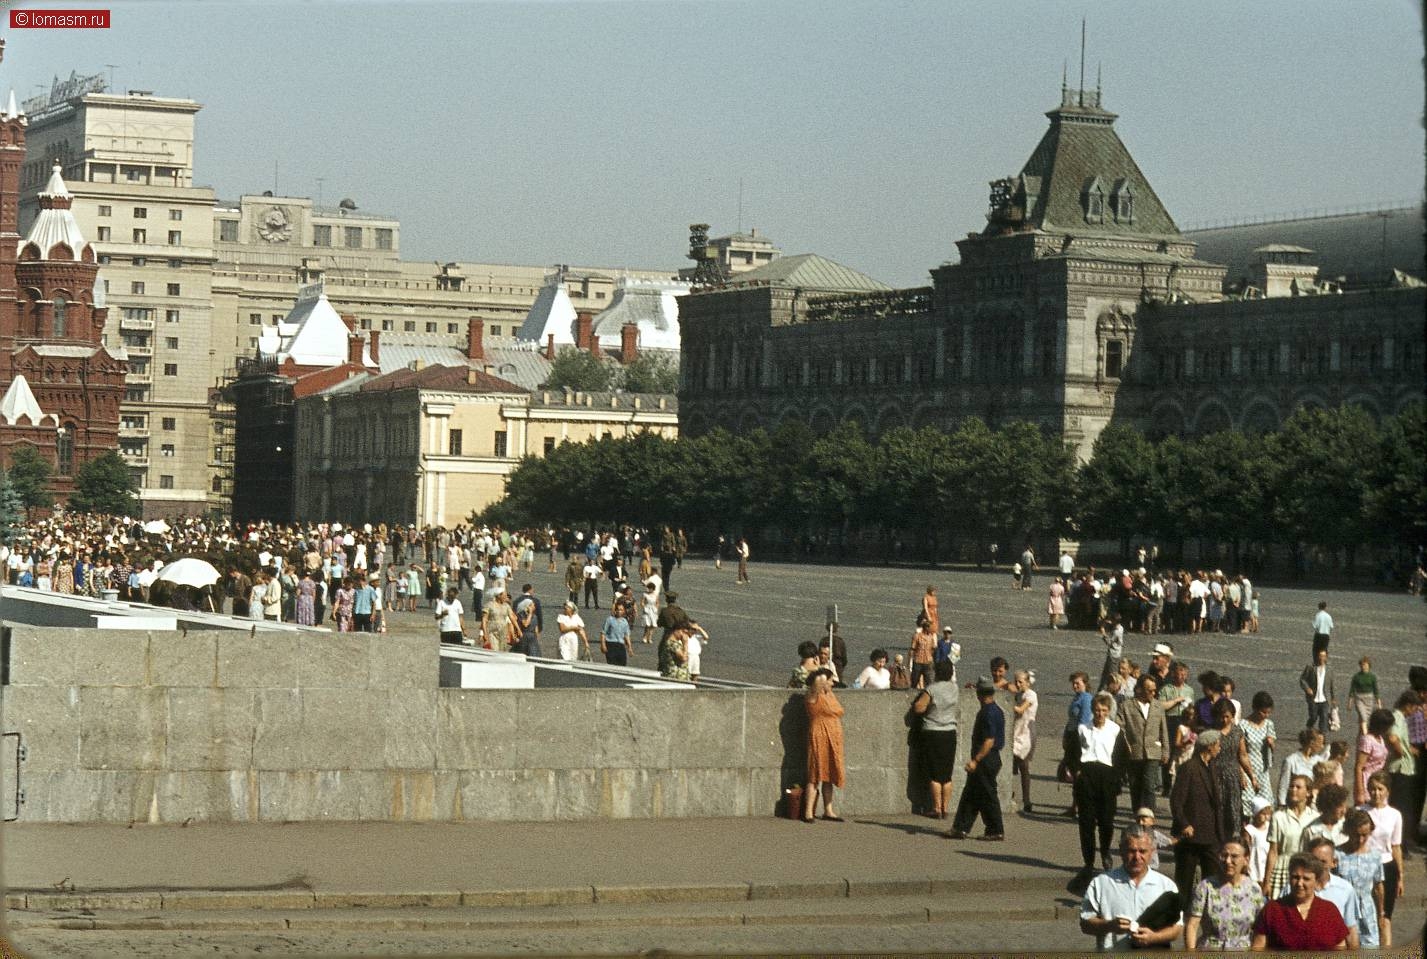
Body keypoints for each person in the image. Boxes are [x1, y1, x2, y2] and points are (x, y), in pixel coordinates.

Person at [1079, 824, 1183, 951]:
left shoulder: (1166, 886)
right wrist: (1109, 926)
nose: (1137, 857)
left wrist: (1154, 937)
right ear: (1121, 850)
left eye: (1142, 851)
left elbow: (1177, 928)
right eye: (1131, 851)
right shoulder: (1101, 883)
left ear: (1152, 851)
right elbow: (1085, 924)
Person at [1074, 691, 1128, 875]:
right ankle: (1088, 860)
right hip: (1087, 775)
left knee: (1106, 821)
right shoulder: (1083, 729)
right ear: (1092, 710)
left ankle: (1105, 852)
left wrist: (1117, 777)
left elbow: (1122, 757)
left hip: (1107, 776)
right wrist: (1077, 772)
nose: (1100, 714)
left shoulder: (1115, 730)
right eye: (1097, 710)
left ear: (1108, 711)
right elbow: (1073, 753)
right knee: (1086, 822)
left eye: (1104, 710)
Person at [1250, 852, 1349, 951]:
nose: (1299, 883)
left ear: (1316, 881)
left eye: (1306, 879)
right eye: (1295, 877)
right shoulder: (1272, 910)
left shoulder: (1329, 911)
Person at [948, 676, 1005, 841]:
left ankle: (995, 829)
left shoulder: (987, 713)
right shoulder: (997, 710)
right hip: (992, 758)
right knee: (971, 794)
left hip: (986, 759)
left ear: (979, 694)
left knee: (987, 795)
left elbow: (989, 740)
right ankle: (960, 828)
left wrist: (976, 760)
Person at [1184, 839, 1266, 951]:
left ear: (1246, 860)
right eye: (1224, 855)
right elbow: (1192, 926)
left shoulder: (1254, 889)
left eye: (1234, 856)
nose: (1228, 861)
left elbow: (1261, 929)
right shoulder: (1205, 887)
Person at [909, 659, 959, 820]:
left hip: (933, 732)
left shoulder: (932, 689)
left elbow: (919, 707)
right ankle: (946, 807)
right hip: (950, 732)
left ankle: (936, 807)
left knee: (934, 774)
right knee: (946, 774)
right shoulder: (954, 688)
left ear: (937, 671)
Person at [1362, 770, 1404, 947]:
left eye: (1380, 789)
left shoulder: (1394, 815)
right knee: (1365, 913)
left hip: (1387, 866)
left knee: (1385, 917)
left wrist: (1401, 876)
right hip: (1364, 865)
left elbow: (1395, 846)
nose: (1376, 793)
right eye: (1372, 789)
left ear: (1387, 791)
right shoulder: (1360, 811)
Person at [1262, 774, 1318, 899]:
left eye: (1298, 787)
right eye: (1291, 786)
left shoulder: (1314, 817)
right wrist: (1267, 880)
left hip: (1306, 868)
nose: (1293, 789)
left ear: (1308, 792)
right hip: (1283, 868)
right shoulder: (1278, 817)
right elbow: (1273, 851)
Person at [1334, 807, 1384, 948]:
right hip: (1343, 911)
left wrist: (1381, 914)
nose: (1361, 840)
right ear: (1348, 831)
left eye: (1365, 835)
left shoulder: (1375, 856)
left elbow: (1379, 887)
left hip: (1367, 911)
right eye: (1357, 835)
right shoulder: (1338, 854)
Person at [1120, 674, 1169, 815]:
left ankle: (1149, 813)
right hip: (1134, 751)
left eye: (1155, 690)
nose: (1153, 693)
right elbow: (1120, 727)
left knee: (1149, 784)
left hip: (1153, 751)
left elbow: (1163, 729)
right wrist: (1125, 744)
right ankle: (1137, 812)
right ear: (1139, 689)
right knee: (1135, 785)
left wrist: (1165, 751)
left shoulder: (1157, 706)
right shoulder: (1126, 706)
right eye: (1150, 690)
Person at [1304, 836, 1363, 951]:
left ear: (1334, 862)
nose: (1317, 866)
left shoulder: (1345, 890)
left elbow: (1350, 930)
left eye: (1323, 862)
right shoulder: (1295, 888)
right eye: (1313, 861)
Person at [801, 668, 845, 822]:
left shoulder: (830, 694)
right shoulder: (813, 695)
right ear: (822, 682)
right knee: (815, 773)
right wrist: (821, 675)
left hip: (833, 735)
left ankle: (828, 810)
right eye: (830, 680)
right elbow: (816, 683)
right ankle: (808, 812)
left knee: (829, 774)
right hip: (819, 734)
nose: (833, 683)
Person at [1239, 691, 1277, 818]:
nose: (1266, 715)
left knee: (1265, 802)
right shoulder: (1243, 725)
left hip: (1263, 769)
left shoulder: (1268, 724)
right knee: (1248, 801)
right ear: (1255, 708)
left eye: (1268, 712)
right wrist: (1242, 774)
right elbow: (1240, 753)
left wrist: (1271, 743)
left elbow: (1273, 746)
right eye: (1263, 712)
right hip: (1248, 767)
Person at [1062, 671, 1094, 815]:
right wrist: (1065, 736)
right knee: (1074, 774)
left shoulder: (1086, 699)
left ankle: (1080, 806)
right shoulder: (1077, 698)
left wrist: (1078, 741)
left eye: (1078, 683)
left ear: (1085, 684)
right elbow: (1071, 720)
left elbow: (1084, 721)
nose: (1075, 686)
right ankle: (1075, 806)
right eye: (1073, 683)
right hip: (1071, 735)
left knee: (1079, 773)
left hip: (1079, 738)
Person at [1011, 669, 1038, 813]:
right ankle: (1012, 793)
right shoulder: (1018, 694)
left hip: (1026, 732)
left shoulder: (1031, 695)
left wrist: (1006, 703)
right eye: (1016, 681)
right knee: (1013, 765)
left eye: (1020, 681)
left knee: (1023, 766)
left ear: (1027, 682)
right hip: (1017, 730)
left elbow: (1021, 710)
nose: (1017, 684)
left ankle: (1026, 799)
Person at [1278, 727, 1327, 805]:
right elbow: (1283, 786)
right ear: (1311, 743)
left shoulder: (1319, 761)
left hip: (1313, 805)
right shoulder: (1291, 761)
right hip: (1294, 804)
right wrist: (1282, 804)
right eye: (1320, 743)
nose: (1322, 747)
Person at [1354, 708, 1392, 805]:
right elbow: (1359, 767)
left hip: (1379, 779)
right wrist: (1360, 792)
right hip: (1367, 781)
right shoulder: (1367, 740)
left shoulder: (1380, 738)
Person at [1298, 649, 1335, 734]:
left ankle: (1322, 735)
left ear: (1326, 657)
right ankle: (1309, 727)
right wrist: (1307, 688)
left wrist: (1333, 698)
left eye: (1324, 656)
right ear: (1317, 657)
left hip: (1325, 698)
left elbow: (1331, 684)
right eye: (1320, 656)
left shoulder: (1329, 669)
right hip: (1313, 698)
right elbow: (1302, 679)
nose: (1322, 658)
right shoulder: (1310, 667)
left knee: (1324, 717)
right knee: (1313, 716)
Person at [1348, 656, 1380, 734]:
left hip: (1369, 699)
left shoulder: (1372, 677)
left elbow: (1376, 690)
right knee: (1363, 717)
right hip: (1359, 698)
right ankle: (1366, 735)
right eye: (1362, 665)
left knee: (1364, 721)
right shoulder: (1356, 677)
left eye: (1365, 665)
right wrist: (1350, 703)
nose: (1363, 667)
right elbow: (1352, 690)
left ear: (1369, 666)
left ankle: (1360, 738)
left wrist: (1379, 703)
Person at [513, 584, 543, 658]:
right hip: (523, 635)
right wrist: (540, 627)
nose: (534, 607)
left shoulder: (517, 600)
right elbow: (539, 615)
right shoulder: (536, 601)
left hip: (532, 638)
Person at [599, 600, 632, 666]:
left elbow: (626, 635)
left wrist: (629, 647)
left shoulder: (624, 621)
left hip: (620, 645)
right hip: (610, 645)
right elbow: (603, 633)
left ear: (624, 611)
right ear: (615, 610)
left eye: (621, 610)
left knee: (622, 664)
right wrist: (603, 645)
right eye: (618, 609)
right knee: (612, 664)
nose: (619, 611)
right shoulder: (609, 619)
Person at [907, 619, 936, 690]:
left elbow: (932, 649)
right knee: (914, 681)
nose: (931, 629)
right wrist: (909, 661)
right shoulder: (917, 636)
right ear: (925, 627)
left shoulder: (931, 638)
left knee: (929, 682)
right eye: (929, 627)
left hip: (928, 662)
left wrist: (932, 660)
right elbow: (912, 649)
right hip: (918, 661)